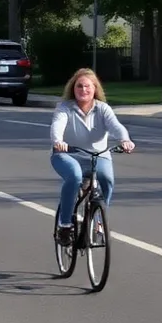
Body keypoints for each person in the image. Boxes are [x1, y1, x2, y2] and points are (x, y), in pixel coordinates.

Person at [50, 68, 135, 245]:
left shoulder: (103, 109)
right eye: (79, 86)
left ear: (95, 88)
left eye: (87, 86)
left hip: (98, 156)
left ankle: (98, 222)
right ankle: (65, 226)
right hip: (68, 155)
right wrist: (58, 141)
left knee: (107, 179)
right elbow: (57, 125)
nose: (83, 90)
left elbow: (116, 126)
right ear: (73, 88)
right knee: (74, 176)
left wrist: (124, 140)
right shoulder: (65, 108)